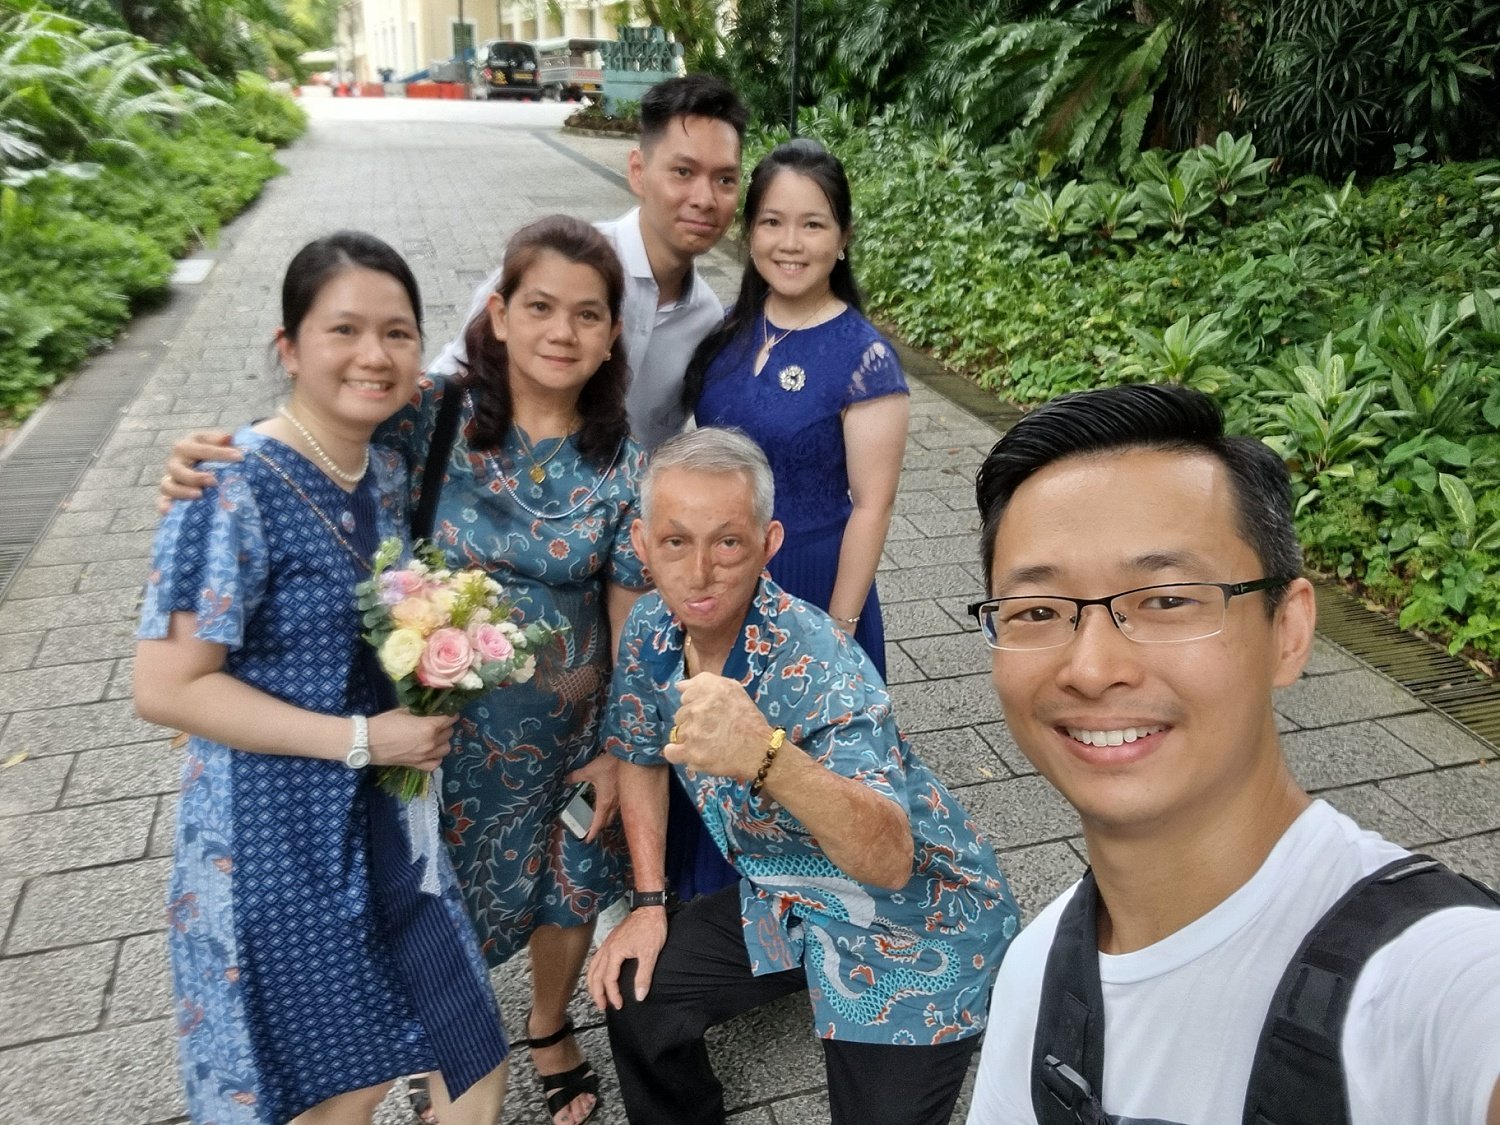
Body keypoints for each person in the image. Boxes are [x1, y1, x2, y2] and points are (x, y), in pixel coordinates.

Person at [152, 214, 646, 1125]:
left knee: (561, 894)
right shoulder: (429, 414)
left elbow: (631, 613)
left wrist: (619, 742)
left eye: (587, 313)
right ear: (495, 314)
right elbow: (318, 434)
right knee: (393, 996)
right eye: (538, 306)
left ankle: (536, 1029)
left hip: (562, 742)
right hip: (423, 755)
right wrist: (218, 453)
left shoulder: (622, 459)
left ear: (615, 331)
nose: (561, 331)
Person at [962, 383, 1500, 1124]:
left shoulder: (1434, 978)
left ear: (1289, 629)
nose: (1091, 667)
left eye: (1167, 599)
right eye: (1038, 612)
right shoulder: (1033, 971)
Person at [133, 232, 509, 1125]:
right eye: (344, 329)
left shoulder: (383, 464)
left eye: (397, 332)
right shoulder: (230, 484)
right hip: (273, 836)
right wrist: (360, 738)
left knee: (468, 1053)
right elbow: (167, 687)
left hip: (387, 820)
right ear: (289, 346)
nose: (374, 354)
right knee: (336, 1092)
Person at [586, 427, 1020, 1125]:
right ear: (641, 544)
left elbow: (890, 858)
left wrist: (766, 754)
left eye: (727, 542)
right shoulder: (649, 630)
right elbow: (639, 753)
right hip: (786, 890)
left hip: (918, 921)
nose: (698, 572)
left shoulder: (821, 666)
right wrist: (646, 901)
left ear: (769, 542)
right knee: (638, 991)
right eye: (675, 542)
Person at [674, 138, 911, 898]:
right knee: (715, 737)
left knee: (798, 759)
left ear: (842, 239)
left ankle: (803, 910)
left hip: (812, 580)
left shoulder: (863, 357)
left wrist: (836, 632)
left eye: (813, 224)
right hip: (721, 576)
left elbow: (871, 503)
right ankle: (711, 902)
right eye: (773, 221)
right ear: (750, 232)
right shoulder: (724, 334)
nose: (791, 242)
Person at [429, 72, 748, 449]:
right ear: (638, 172)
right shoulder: (558, 265)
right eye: (683, 172)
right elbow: (450, 378)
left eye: (725, 180)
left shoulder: (707, 320)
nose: (705, 199)